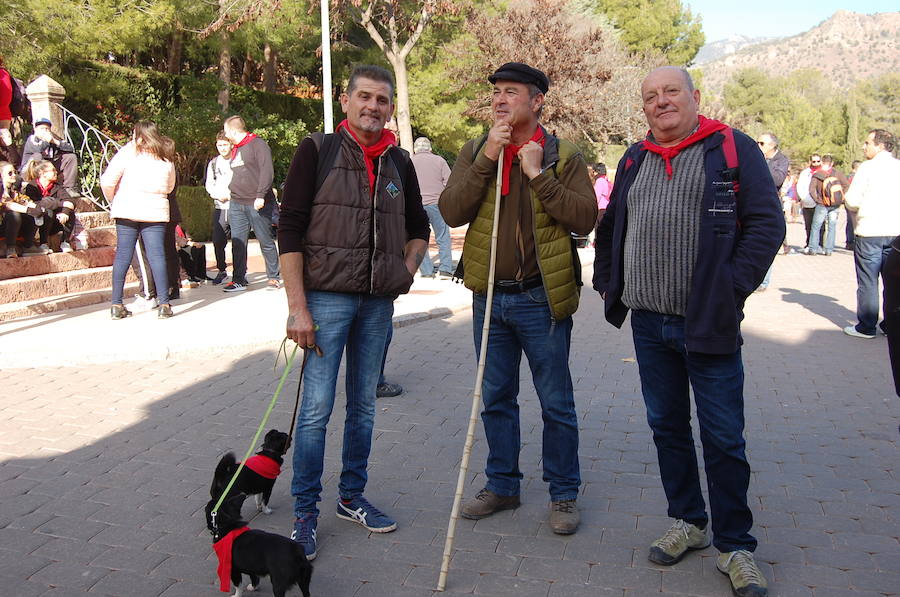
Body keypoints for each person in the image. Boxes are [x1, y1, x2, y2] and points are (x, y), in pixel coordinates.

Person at [593, 66, 783, 597]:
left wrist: (732, 288)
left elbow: (767, 224)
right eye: (650, 96)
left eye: (670, 91)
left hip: (708, 323)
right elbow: (611, 227)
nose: (660, 102)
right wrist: (610, 282)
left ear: (695, 97)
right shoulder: (634, 157)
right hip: (649, 323)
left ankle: (736, 546)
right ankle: (689, 522)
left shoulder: (730, 147)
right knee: (667, 427)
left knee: (723, 435)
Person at [278, 65, 429, 561]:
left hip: (377, 305)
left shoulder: (399, 162)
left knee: (363, 406)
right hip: (324, 302)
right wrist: (297, 308)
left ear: (390, 108)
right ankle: (305, 512)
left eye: (382, 100)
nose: (373, 106)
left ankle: (351, 497)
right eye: (364, 97)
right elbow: (290, 230)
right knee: (316, 411)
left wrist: (405, 271)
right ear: (346, 102)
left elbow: (418, 226)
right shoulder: (315, 151)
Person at [439, 62, 597, 535]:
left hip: (541, 300)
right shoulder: (475, 149)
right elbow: (450, 211)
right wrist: (488, 157)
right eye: (496, 93)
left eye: (512, 92)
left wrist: (537, 175)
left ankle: (563, 494)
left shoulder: (562, 154)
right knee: (495, 399)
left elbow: (585, 219)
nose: (501, 100)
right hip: (489, 299)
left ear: (537, 100)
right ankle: (503, 485)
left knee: (556, 403)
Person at [100, 121, 177, 320]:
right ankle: (164, 304)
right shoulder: (165, 158)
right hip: (155, 211)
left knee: (123, 255)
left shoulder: (128, 153)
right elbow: (169, 187)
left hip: (127, 208)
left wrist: (113, 198)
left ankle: (116, 304)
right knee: (157, 256)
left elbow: (108, 180)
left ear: (139, 136)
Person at [843, 129, 900, 339]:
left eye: (868, 143)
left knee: (868, 280)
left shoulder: (867, 168)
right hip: (896, 232)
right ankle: (891, 323)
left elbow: (853, 199)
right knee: (893, 281)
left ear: (880, 145)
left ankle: (866, 326)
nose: (864, 146)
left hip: (870, 231)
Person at [222, 115, 281, 292]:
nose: (225, 135)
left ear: (233, 131)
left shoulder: (258, 144)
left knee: (265, 240)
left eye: (226, 132)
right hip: (237, 201)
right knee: (238, 241)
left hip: (256, 202)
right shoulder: (236, 148)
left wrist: (261, 195)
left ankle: (273, 277)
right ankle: (239, 278)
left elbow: (267, 171)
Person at [411, 136, 453, 279]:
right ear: (430, 148)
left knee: (419, 238)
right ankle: (445, 269)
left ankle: (426, 271)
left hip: (417, 206)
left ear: (415, 148)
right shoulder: (439, 161)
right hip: (437, 204)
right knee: (442, 237)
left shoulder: (410, 161)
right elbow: (450, 183)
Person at [755, 132, 789, 290]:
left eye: (762, 143)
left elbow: (777, 179)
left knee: (766, 244)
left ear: (771, 146)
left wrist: (757, 166)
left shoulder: (781, 160)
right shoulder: (755, 156)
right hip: (753, 203)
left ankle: (763, 281)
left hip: (770, 206)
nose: (758, 146)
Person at [22, 160, 77, 253]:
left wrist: (65, 212)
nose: (56, 172)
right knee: (48, 211)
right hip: (38, 222)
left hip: (55, 223)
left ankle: (65, 242)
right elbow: (36, 204)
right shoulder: (32, 187)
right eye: (53, 170)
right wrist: (60, 204)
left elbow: (71, 201)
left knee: (69, 212)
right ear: (43, 173)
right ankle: (44, 243)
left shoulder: (57, 186)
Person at [20, 118, 79, 196]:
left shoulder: (52, 139)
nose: (45, 131)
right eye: (42, 128)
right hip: (29, 170)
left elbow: (70, 148)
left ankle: (69, 188)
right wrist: (46, 141)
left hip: (47, 169)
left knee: (70, 157)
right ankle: (38, 187)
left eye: (47, 129)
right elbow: (38, 149)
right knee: (38, 156)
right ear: (35, 130)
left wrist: (55, 142)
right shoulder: (32, 139)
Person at [805, 154, 848, 257]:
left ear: (822, 163)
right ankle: (829, 250)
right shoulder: (838, 173)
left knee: (816, 226)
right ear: (832, 163)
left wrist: (817, 199)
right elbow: (846, 185)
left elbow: (811, 189)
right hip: (835, 204)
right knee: (832, 226)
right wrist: (841, 198)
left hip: (822, 204)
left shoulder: (818, 174)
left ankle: (813, 248)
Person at [1, 160, 46, 257]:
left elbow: (27, 202)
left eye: (15, 172)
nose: (14, 175)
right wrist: (29, 210)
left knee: (38, 213)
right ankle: (10, 248)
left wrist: (38, 209)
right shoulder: (1, 192)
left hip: (11, 227)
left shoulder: (14, 192)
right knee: (14, 215)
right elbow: (8, 205)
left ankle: (28, 245)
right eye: (10, 173)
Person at [205, 131, 233, 285]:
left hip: (236, 207)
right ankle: (222, 270)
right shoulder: (213, 163)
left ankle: (240, 273)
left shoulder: (237, 161)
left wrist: (231, 196)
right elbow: (209, 184)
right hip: (220, 207)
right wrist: (216, 195)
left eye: (225, 145)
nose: (222, 148)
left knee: (238, 242)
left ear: (231, 145)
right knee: (218, 240)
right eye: (219, 145)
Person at [797, 154, 823, 249]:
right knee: (809, 224)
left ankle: (820, 243)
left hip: (821, 203)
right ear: (810, 162)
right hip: (808, 202)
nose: (816, 163)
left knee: (821, 225)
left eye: (818, 161)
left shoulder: (824, 172)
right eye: (814, 161)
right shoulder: (805, 173)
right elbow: (800, 187)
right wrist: (805, 198)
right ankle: (809, 243)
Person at [846, 160, 861, 250]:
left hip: (849, 201)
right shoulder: (856, 177)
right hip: (855, 202)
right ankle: (853, 241)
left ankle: (850, 241)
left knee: (850, 222)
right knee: (853, 222)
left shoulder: (848, 177)